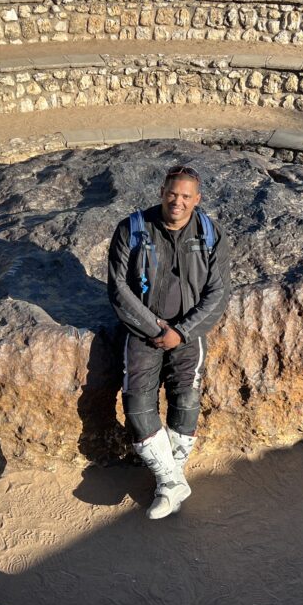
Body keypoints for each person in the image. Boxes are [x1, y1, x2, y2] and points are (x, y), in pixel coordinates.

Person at [107, 164, 232, 519]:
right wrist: (155, 328)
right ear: (162, 192)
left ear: (197, 199)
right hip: (142, 332)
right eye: (172, 194)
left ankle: (169, 482)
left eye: (186, 196)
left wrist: (182, 331)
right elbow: (118, 288)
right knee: (137, 404)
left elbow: (219, 292)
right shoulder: (132, 229)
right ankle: (171, 480)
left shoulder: (210, 234)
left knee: (187, 397)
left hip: (189, 333)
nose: (178, 202)